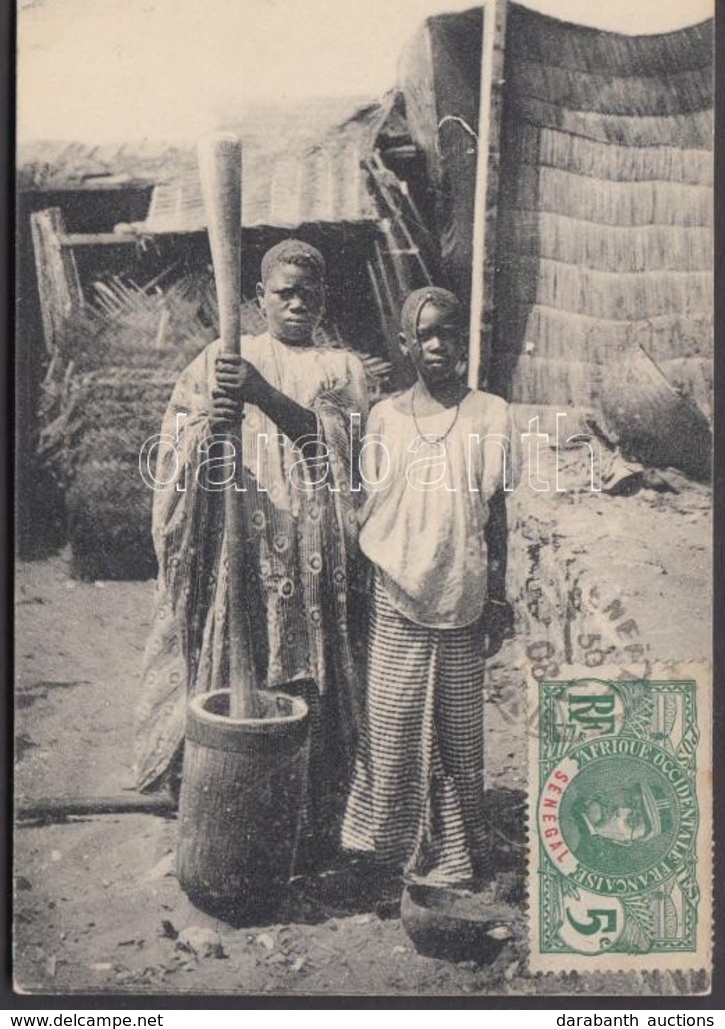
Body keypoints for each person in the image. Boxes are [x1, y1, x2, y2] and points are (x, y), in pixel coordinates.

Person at [135, 239, 368, 855]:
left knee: (308, 675)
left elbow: (340, 458)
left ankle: (312, 813)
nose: (296, 302)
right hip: (240, 549)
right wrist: (208, 427)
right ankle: (224, 799)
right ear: (259, 297)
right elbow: (175, 445)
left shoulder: (341, 367)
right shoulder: (221, 356)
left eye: (307, 292)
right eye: (283, 291)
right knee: (238, 661)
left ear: (322, 298)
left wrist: (263, 394)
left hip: (313, 554)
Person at [342, 286, 513, 887]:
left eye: (449, 332)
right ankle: (383, 851)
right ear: (406, 344)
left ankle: (457, 854)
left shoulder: (491, 412)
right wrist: (364, 588)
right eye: (426, 335)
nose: (438, 344)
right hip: (393, 589)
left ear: (461, 338)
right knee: (390, 722)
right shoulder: (385, 416)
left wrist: (498, 594)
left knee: (460, 731)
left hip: (461, 591)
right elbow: (371, 505)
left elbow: (498, 511)